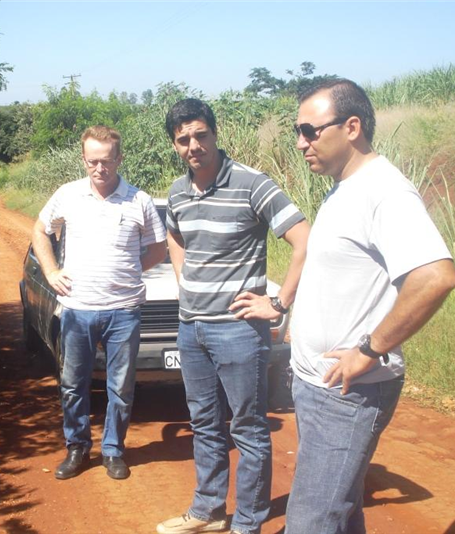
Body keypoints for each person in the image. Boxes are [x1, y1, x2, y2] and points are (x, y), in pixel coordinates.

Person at [284, 79, 455, 534]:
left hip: (348, 394)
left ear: (352, 126)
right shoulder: (344, 187)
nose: (301, 142)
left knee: (311, 522)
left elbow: (435, 276)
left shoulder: (385, 192)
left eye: (309, 130)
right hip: (319, 387)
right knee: (340, 513)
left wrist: (369, 348)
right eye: (298, 132)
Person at [156, 99, 310, 534]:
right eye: (183, 139)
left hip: (239, 331)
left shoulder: (252, 184)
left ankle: (247, 523)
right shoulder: (177, 190)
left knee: (248, 429)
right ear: (174, 144)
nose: (193, 145)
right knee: (204, 423)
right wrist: (185, 278)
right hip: (192, 328)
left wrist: (278, 304)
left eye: (201, 135)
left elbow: (304, 240)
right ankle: (207, 512)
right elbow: (175, 235)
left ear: (215, 134)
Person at [31, 125, 167, 480]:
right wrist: (50, 270)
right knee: (73, 383)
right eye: (92, 161)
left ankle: (113, 450)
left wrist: (128, 269)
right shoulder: (68, 195)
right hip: (78, 309)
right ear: (84, 159)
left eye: (106, 161)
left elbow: (158, 248)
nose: (99, 169)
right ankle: (77, 448)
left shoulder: (139, 200)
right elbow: (39, 229)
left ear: (119, 159)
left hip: (124, 310)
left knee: (120, 386)